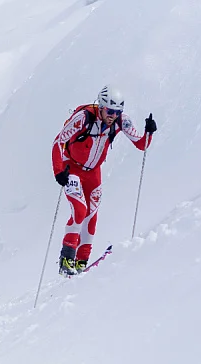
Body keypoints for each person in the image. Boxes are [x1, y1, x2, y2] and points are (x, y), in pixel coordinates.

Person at [52, 85, 157, 275]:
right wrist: (59, 171)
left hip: (93, 172)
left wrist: (149, 132)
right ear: (101, 107)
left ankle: (82, 261)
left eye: (117, 112)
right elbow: (58, 141)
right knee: (80, 210)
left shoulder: (121, 122)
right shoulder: (82, 118)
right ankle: (66, 258)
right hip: (72, 168)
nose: (113, 116)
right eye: (109, 111)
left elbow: (141, 145)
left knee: (92, 214)